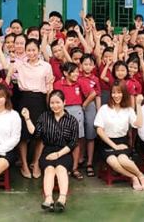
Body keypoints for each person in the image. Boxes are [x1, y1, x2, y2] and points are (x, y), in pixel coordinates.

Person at [22, 90, 78, 213]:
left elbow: (73, 143)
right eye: (52, 103)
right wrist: (27, 118)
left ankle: (62, 199)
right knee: (49, 170)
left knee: (61, 169)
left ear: (64, 102)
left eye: (58, 102)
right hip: (48, 150)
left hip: (64, 151)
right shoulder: (44, 117)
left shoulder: (72, 120)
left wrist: (58, 154)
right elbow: (36, 134)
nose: (55, 106)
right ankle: (48, 199)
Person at [8, 39, 53, 179]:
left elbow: (49, 86)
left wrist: (49, 104)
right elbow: (7, 71)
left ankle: (36, 163)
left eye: (34, 50)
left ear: (39, 51)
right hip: (24, 99)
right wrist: (11, 59)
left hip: (40, 100)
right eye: (28, 50)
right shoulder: (20, 64)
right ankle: (24, 165)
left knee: (40, 135)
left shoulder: (46, 66)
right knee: (23, 135)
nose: (31, 53)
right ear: (25, 51)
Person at [93, 82, 144, 191]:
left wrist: (138, 105)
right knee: (113, 162)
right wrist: (114, 146)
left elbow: (138, 124)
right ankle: (133, 177)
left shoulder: (128, 110)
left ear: (124, 94)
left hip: (122, 141)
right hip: (107, 143)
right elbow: (99, 130)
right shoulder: (104, 109)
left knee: (123, 160)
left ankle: (141, 176)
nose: (116, 95)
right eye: (113, 92)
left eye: (119, 92)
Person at [52, 62, 94, 179]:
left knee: (76, 141)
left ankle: (75, 168)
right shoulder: (58, 84)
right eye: (73, 72)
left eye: (77, 72)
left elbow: (93, 93)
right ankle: (63, 167)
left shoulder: (80, 82)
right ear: (65, 73)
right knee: (62, 140)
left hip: (77, 110)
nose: (76, 74)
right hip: (62, 111)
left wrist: (84, 105)